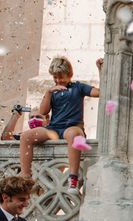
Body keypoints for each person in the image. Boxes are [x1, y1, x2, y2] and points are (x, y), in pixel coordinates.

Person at [20, 56, 103, 193]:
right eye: (55, 78)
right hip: (54, 129)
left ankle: (73, 178)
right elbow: (43, 111)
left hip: (72, 127)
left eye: (61, 77)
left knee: (75, 135)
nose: (58, 81)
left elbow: (99, 93)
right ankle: (26, 177)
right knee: (26, 137)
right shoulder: (53, 92)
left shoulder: (79, 87)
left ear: (69, 75)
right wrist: (48, 92)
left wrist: (100, 71)